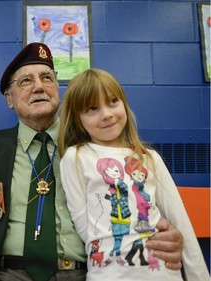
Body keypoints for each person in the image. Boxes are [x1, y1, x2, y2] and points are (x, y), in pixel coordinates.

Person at [0, 43, 184, 281]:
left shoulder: (92, 148)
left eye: (47, 78)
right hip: (6, 273)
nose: (39, 87)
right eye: (26, 81)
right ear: (9, 98)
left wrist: (165, 230)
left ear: (58, 89)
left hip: (86, 272)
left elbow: (136, 193)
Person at [58, 68, 209, 280]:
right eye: (92, 108)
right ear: (78, 119)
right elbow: (85, 228)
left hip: (162, 273)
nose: (107, 114)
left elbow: (181, 222)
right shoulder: (76, 157)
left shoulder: (149, 158)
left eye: (112, 101)